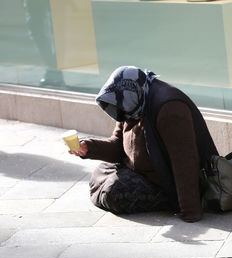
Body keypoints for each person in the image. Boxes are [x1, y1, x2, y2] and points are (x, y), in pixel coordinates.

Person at [69, 66, 218, 222]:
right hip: (141, 172)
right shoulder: (131, 105)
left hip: (166, 180)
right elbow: (118, 145)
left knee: (114, 192)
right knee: (100, 172)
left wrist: (190, 210)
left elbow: (185, 161)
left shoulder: (170, 108)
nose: (123, 113)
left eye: (123, 108)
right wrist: (88, 148)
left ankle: (169, 200)